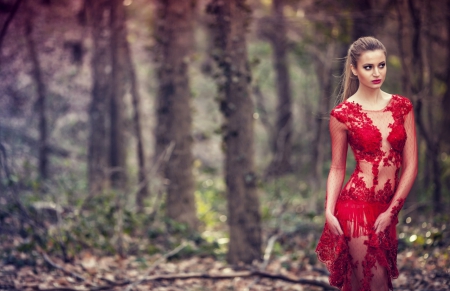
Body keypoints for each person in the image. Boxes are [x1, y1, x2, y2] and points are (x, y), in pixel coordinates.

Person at [315, 36, 418, 291]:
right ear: (354, 69)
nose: (376, 73)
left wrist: (391, 212)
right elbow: (337, 168)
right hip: (355, 209)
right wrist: (329, 210)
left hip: (387, 208)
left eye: (381, 65)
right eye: (368, 67)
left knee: (369, 285)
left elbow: (411, 165)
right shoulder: (342, 114)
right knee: (376, 284)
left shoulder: (402, 107)